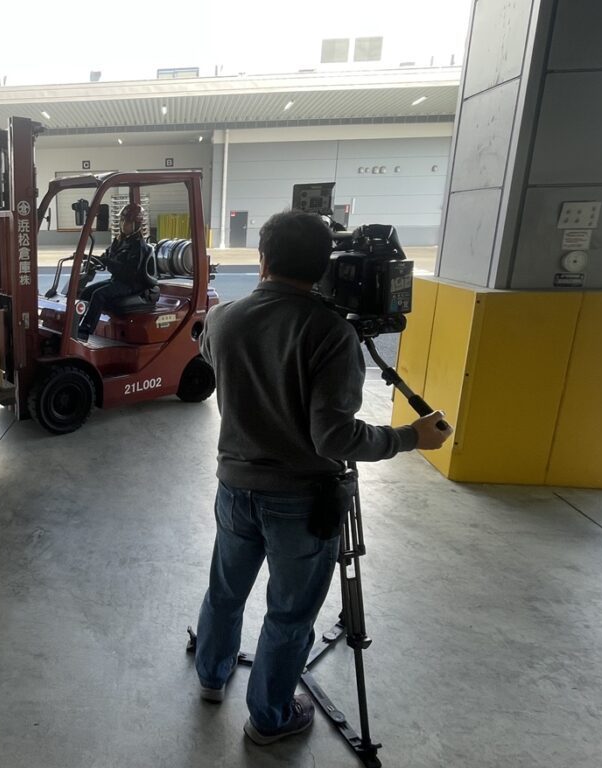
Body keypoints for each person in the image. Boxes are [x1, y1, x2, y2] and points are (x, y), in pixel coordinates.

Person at [194, 209, 453, 746]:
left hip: (234, 489)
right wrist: (410, 436)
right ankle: (270, 719)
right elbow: (334, 439)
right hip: (301, 502)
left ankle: (212, 678)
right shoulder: (332, 332)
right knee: (289, 615)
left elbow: (213, 355)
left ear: (262, 259)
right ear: (324, 267)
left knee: (225, 592)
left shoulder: (222, 320)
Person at [76, 203, 154, 341]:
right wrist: (90, 258)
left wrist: (107, 262)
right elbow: (106, 256)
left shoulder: (138, 246)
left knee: (99, 295)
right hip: (117, 280)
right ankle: (75, 325)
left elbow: (128, 272)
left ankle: (85, 330)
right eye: (122, 221)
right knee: (86, 292)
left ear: (136, 224)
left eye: (127, 222)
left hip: (131, 284)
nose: (123, 225)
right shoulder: (119, 241)